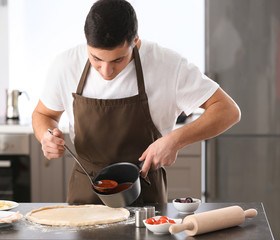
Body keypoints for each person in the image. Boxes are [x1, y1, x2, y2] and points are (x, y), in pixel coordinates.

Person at [32, 0, 240, 205]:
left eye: (117, 60)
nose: (106, 72)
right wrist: (46, 136)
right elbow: (44, 115)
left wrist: (175, 140)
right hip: (85, 192)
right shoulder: (66, 64)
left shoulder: (168, 65)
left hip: (145, 193)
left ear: (136, 41)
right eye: (96, 59)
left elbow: (228, 110)